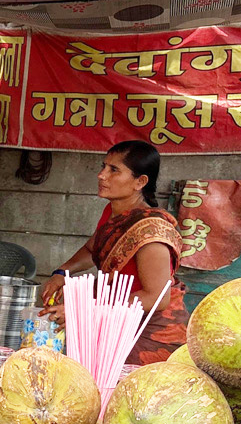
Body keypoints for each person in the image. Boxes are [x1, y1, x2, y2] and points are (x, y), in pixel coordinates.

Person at [40, 140, 187, 365]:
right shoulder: (113, 212)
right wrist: (62, 272)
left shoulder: (151, 232)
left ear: (140, 182)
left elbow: (156, 298)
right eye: (103, 167)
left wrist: (82, 312)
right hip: (112, 315)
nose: (101, 175)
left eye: (113, 170)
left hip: (149, 332)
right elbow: (92, 249)